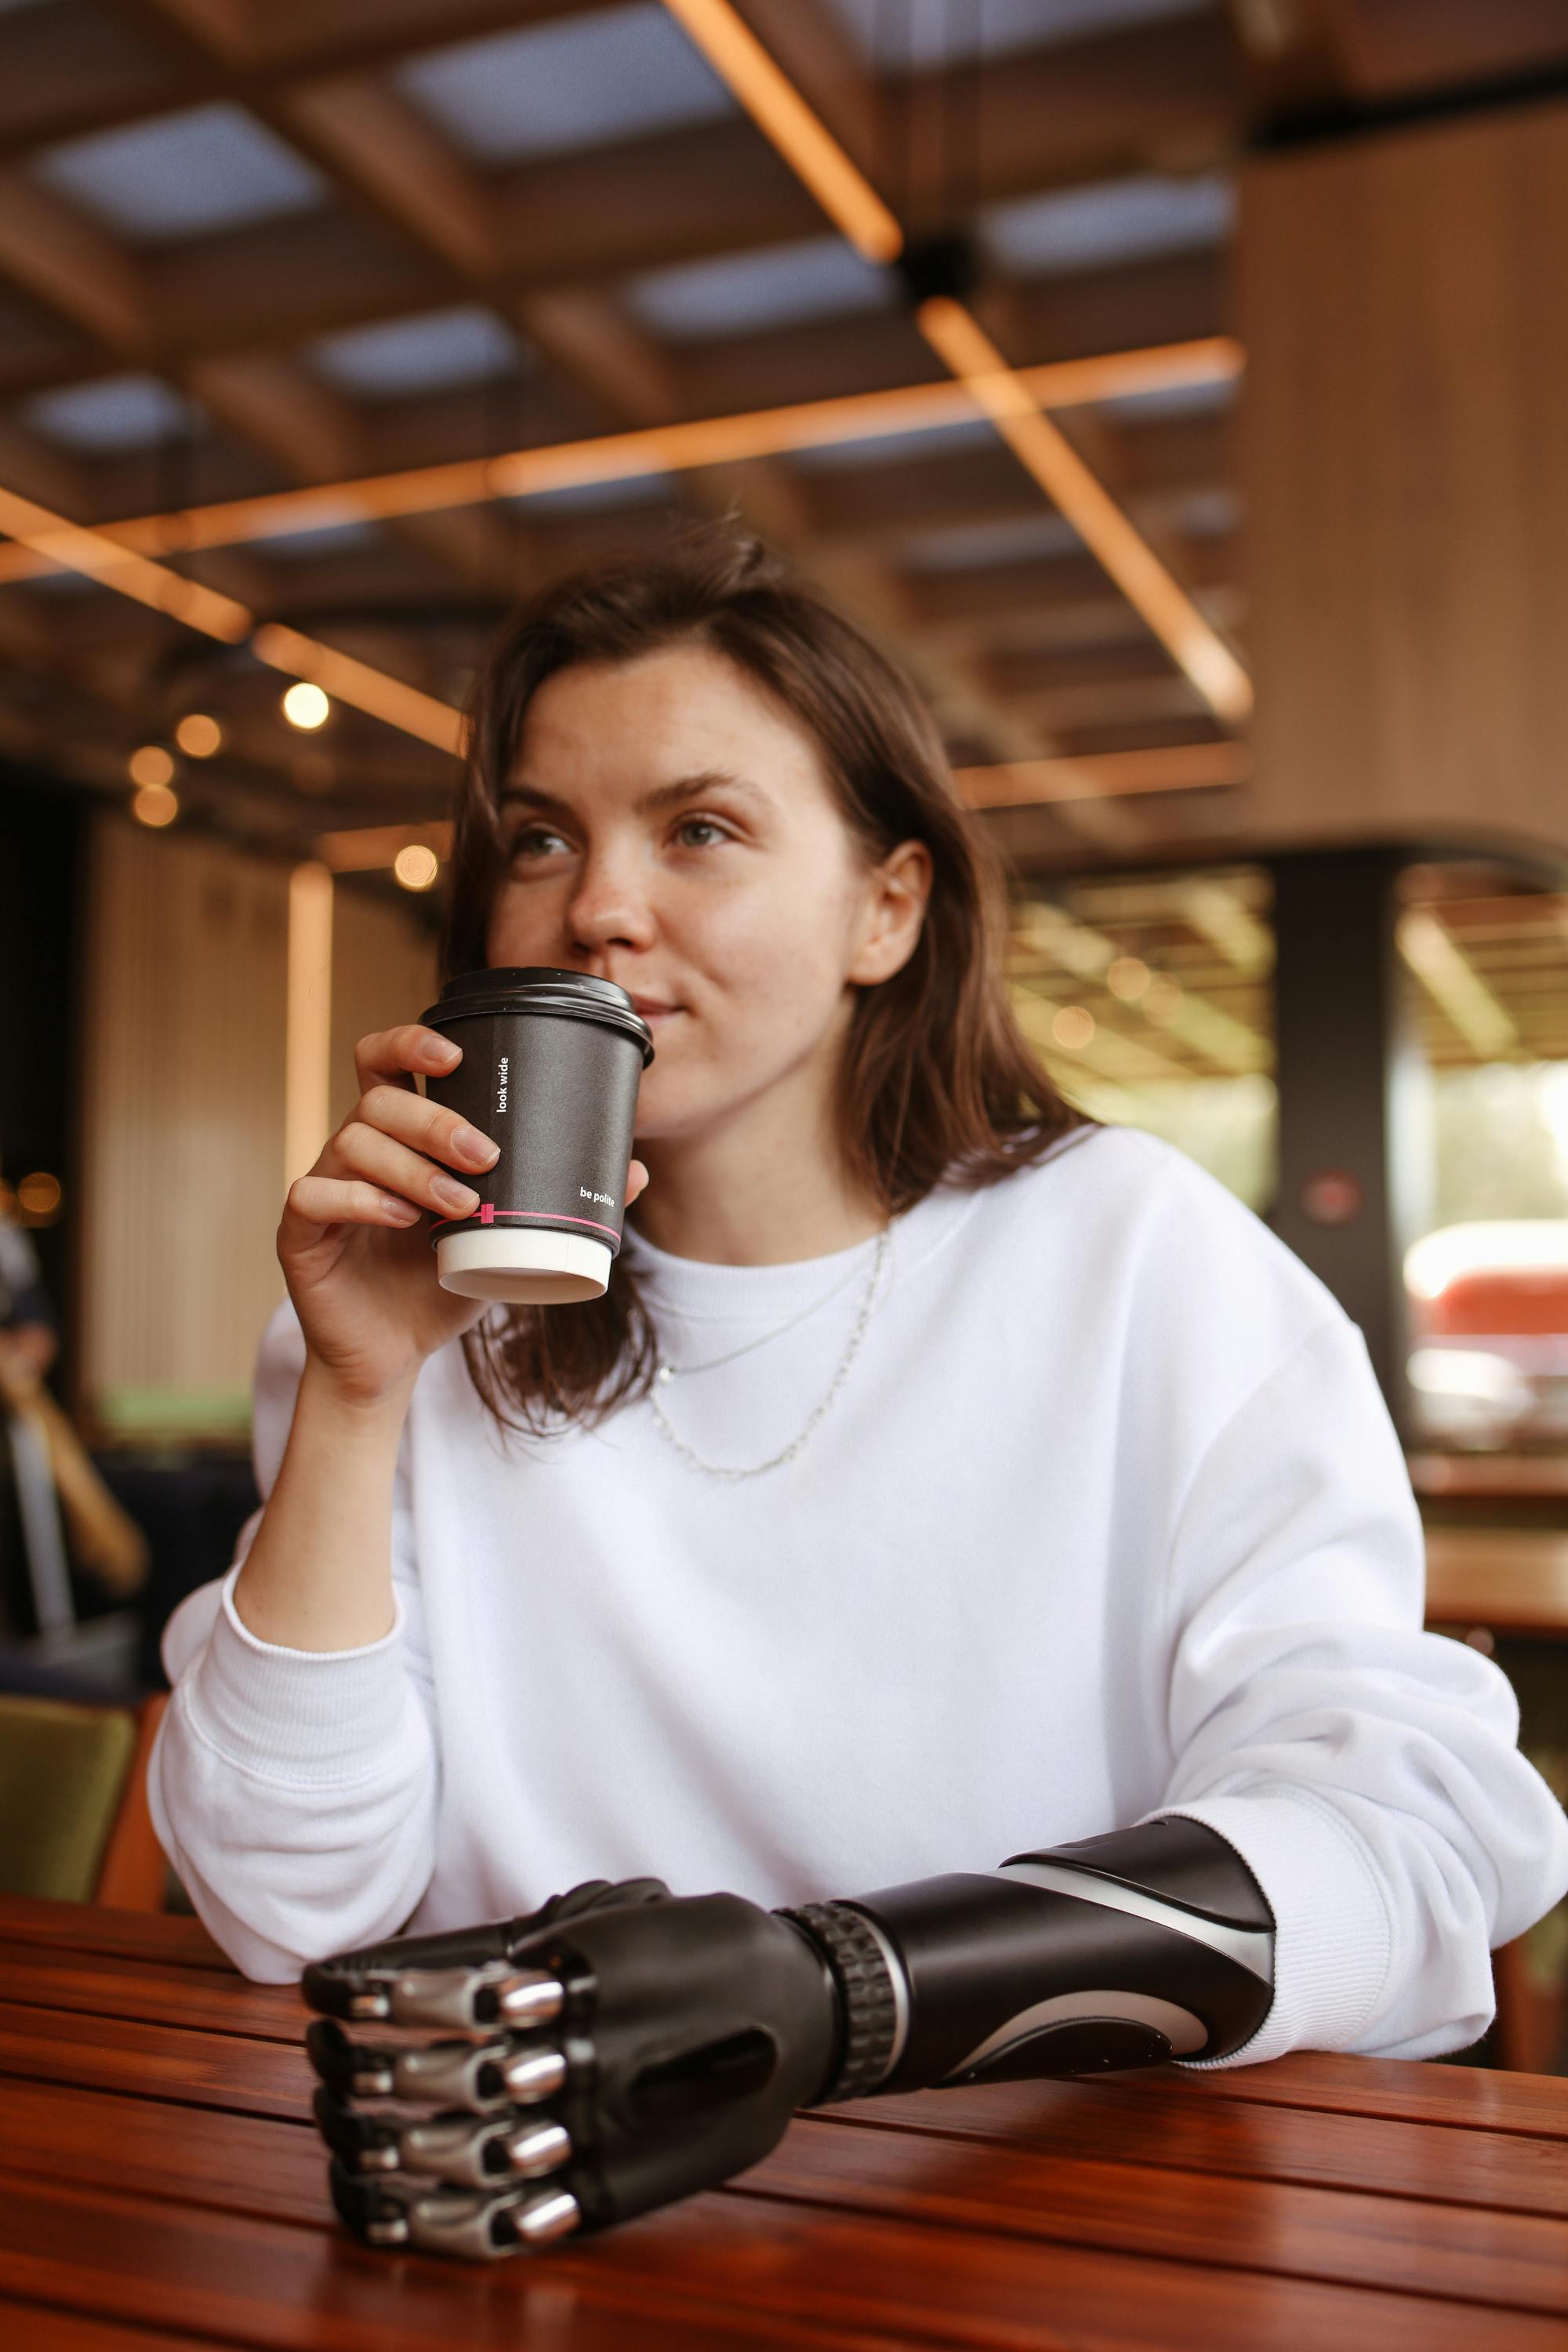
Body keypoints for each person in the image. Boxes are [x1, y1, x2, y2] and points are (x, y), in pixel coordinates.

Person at [151, 532, 1566, 2241]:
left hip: (1049, 2224)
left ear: (885, 910)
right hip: (538, 2211)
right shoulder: (399, 1322)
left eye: (700, 829)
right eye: (540, 836)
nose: (598, 903)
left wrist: (839, 1995)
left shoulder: (1139, 1261)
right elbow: (282, 1913)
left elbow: (1409, 1853)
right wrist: (360, 1393)